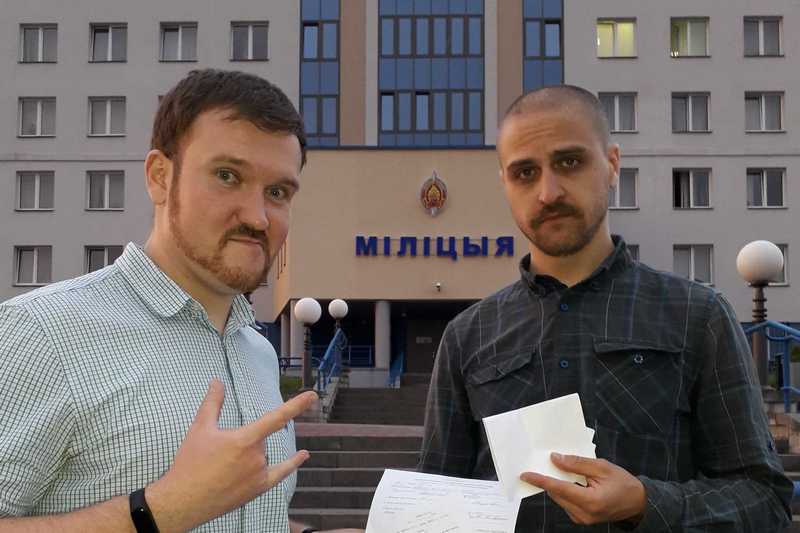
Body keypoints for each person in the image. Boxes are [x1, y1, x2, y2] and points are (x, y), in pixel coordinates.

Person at [419, 85, 793, 531]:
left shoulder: (699, 317)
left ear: (612, 164)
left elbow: (764, 499)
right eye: (525, 173)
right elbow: (435, 504)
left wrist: (645, 503)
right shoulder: (467, 336)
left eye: (569, 162)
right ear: (504, 183)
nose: (548, 191)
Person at [0, 69, 358, 533]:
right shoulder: (42, 335)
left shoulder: (258, 354)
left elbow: (237, 515)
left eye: (277, 192)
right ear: (159, 176)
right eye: (227, 175)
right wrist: (161, 510)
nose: (257, 216)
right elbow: (185, 506)